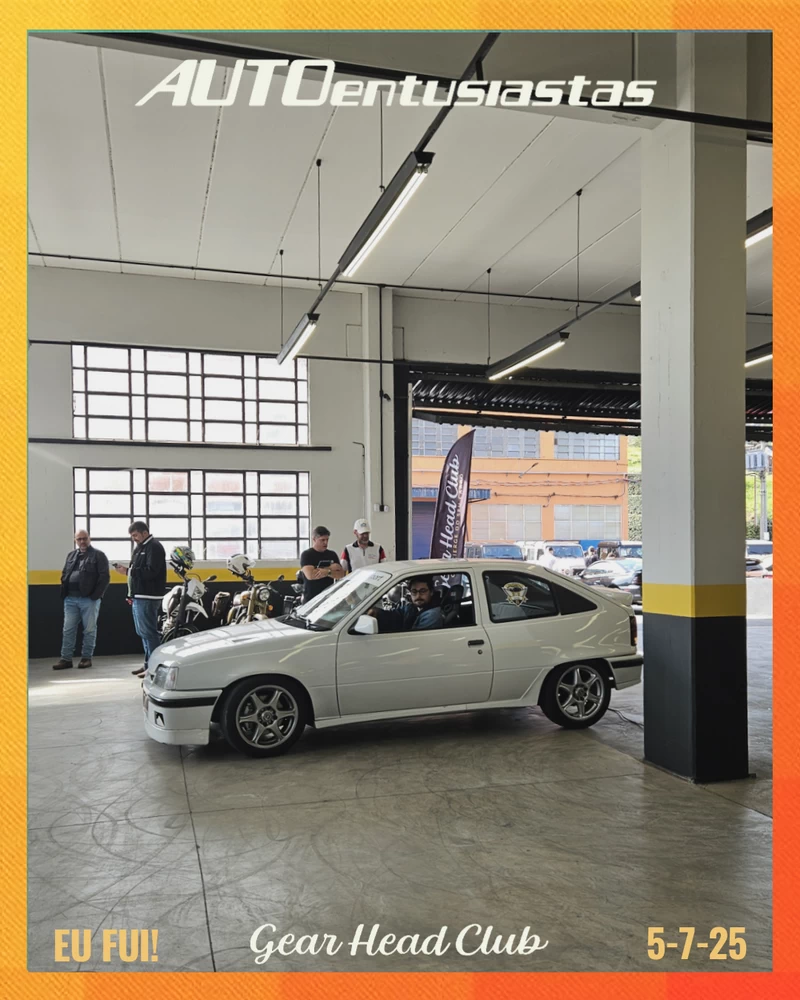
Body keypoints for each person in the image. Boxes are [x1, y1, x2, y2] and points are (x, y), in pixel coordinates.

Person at [114, 521, 167, 677]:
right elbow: (135, 571)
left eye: (136, 535)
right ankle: (147, 664)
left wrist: (127, 571)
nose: (134, 539)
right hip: (139, 595)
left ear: (145, 533)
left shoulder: (154, 547)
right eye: (132, 536)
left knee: (149, 633)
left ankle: (154, 667)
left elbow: (151, 571)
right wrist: (131, 593)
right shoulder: (140, 548)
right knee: (143, 633)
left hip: (148, 596)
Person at [52, 529, 110, 670]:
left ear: (89, 538)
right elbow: (65, 573)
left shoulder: (99, 555)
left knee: (89, 630)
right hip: (70, 599)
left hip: (89, 600)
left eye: (84, 538)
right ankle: (66, 659)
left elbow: (105, 577)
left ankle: (86, 658)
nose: (82, 541)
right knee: (68, 630)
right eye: (79, 539)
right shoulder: (71, 555)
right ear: (75, 540)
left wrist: (95, 596)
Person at [370, 575, 444, 632]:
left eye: (423, 591)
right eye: (414, 591)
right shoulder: (412, 607)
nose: (418, 596)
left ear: (431, 592)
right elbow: (395, 616)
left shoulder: (432, 615)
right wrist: (377, 613)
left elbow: (415, 639)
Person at [300, 526, 344, 604]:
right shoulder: (307, 555)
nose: (325, 543)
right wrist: (330, 568)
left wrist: (327, 572)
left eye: (327, 540)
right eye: (322, 540)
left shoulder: (332, 554)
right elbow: (311, 575)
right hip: (311, 599)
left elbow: (341, 574)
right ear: (314, 539)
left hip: (328, 599)